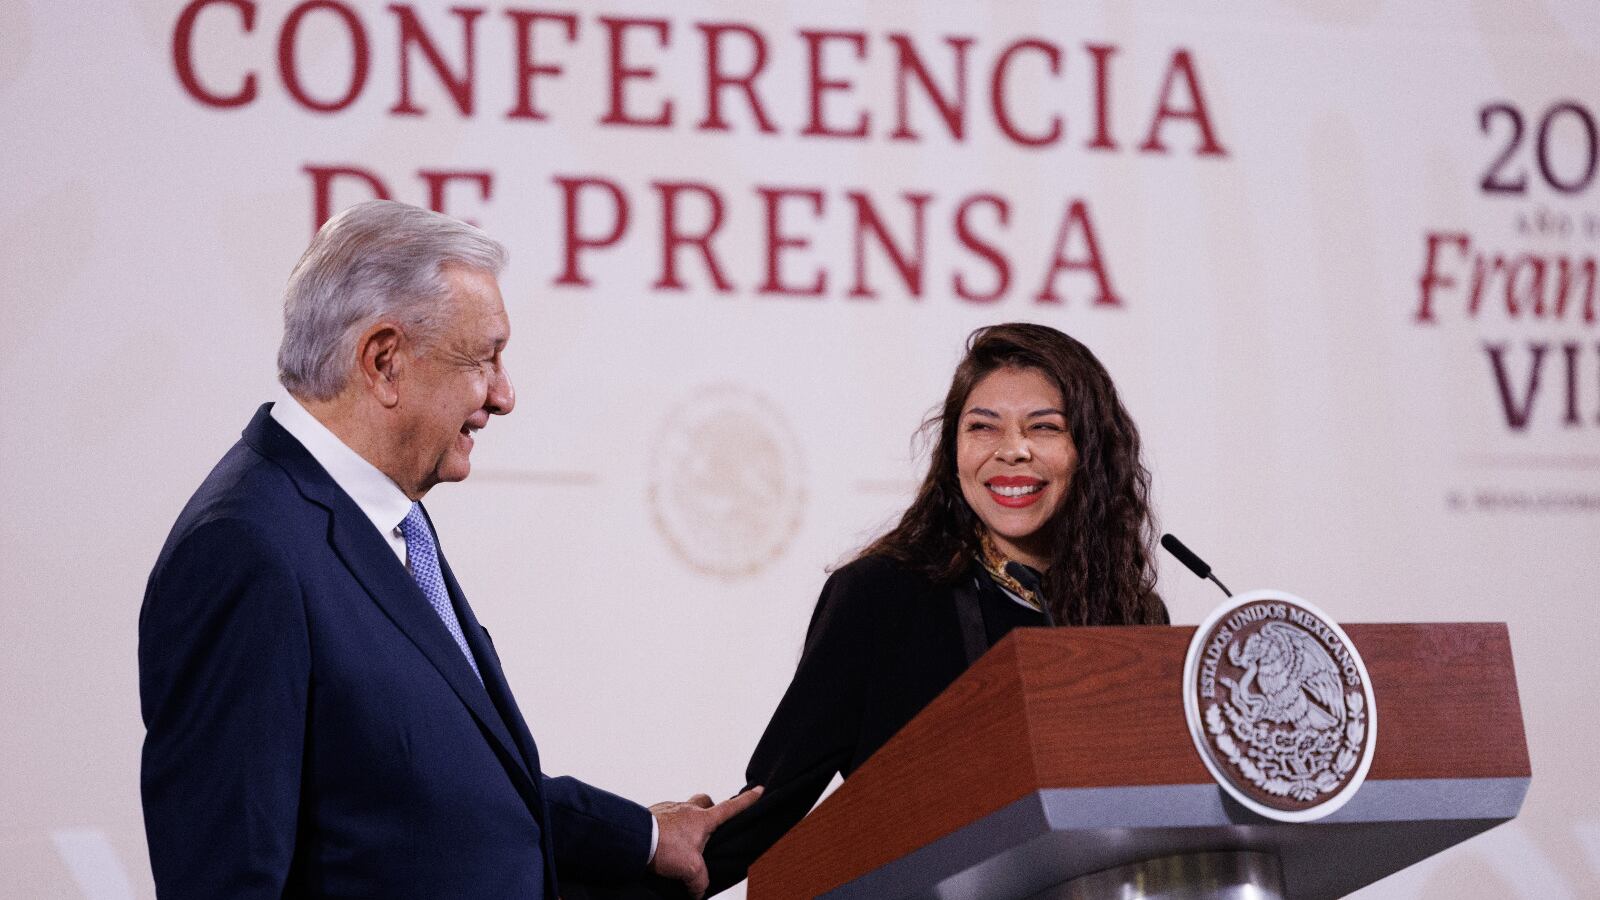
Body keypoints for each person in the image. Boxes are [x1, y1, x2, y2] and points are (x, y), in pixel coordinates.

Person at [138, 200, 756, 899]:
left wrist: (639, 837)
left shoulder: (386, 517)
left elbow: (423, 792)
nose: (505, 395)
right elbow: (224, 882)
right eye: (484, 358)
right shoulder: (245, 551)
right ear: (384, 360)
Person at [697, 322, 1169, 894]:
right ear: (953, 453)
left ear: (1090, 452)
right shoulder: (882, 594)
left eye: (1044, 428)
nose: (1012, 450)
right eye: (982, 428)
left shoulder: (1134, 615)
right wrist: (636, 862)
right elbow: (774, 798)